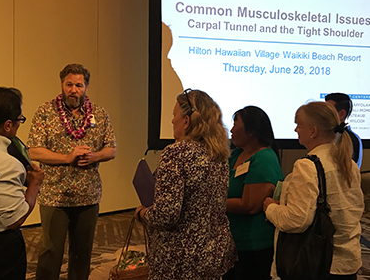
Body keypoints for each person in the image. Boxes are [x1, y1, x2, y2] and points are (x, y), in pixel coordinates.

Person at [134, 89, 237, 280]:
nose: (172, 121)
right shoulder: (219, 154)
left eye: (174, 116)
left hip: (179, 258)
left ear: (187, 121)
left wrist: (142, 213)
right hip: (213, 253)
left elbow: (166, 216)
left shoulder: (175, 153)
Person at [27, 64, 117, 280]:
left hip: (88, 195)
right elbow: (34, 150)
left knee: (82, 254)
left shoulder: (100, 113)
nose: (73, 90)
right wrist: (67, 158)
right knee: (51, 252)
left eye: (78, 85)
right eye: (69, 85)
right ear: (62, 85)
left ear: (86, 87)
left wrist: (94, 156)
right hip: (54, 196)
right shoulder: (45, 112)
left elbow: (112, 149)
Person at [264, 101, 364, 279]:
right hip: (348, 261)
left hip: (318, 263)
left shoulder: (307, 166)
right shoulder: (348, 163)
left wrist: (270, 207)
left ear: (313, 131)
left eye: (299, 125)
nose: (295, 130)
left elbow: (296, 221)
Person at [0, 87, 44, 279]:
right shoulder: (6, 164)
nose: (19, 125)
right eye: (20, 120)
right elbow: (14, 220)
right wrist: (34, 185)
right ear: (8, 125)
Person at [223, 106, 284, 280]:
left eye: (236, 123)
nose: (232, 130)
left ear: (251, 130)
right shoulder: (236, 155)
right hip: (233, 244)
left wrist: (211, 203)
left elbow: (250, 205)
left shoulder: (263, 157)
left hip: (254, 247)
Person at [325, 92, 363, 168]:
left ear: (341, 114)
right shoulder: (326, 135)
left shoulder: (350, 139)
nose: (323, 114)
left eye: (328, 111)